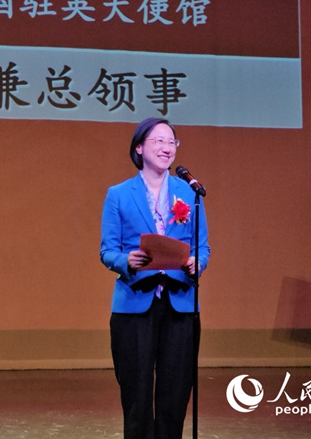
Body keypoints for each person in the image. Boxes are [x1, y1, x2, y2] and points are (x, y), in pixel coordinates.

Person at [99, 117, 210, 439]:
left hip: (180, 304)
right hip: (135, 305)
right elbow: (107, 250)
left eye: (171, 142)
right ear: (139, 148)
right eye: (158, 141)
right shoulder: (119, 194)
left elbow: (202, 246)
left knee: (176, 393)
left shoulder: (189, 193)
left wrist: (197, 262)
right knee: (136, 394)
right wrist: (127, 261)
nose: (166, 148)